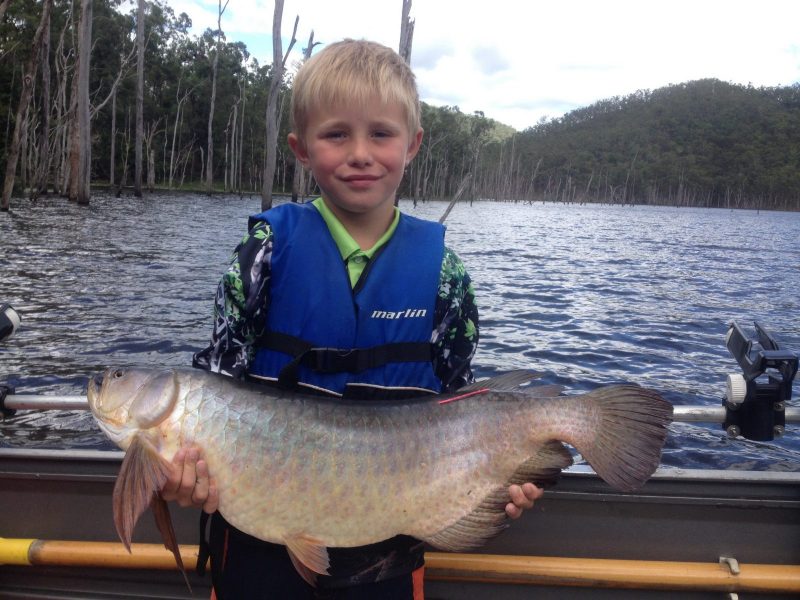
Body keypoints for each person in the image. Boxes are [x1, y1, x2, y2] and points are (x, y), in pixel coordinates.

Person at [161, 38, 542, 599]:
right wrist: (185, 471)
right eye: (336, 134)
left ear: (412, 145)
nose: (360, 153)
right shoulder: (263, 254)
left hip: (386, 558)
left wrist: (498, 478)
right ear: (301, 149)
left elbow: (461, 404)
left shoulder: (446, 275)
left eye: (381, 134)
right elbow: (215, 390)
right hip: (256, 545)